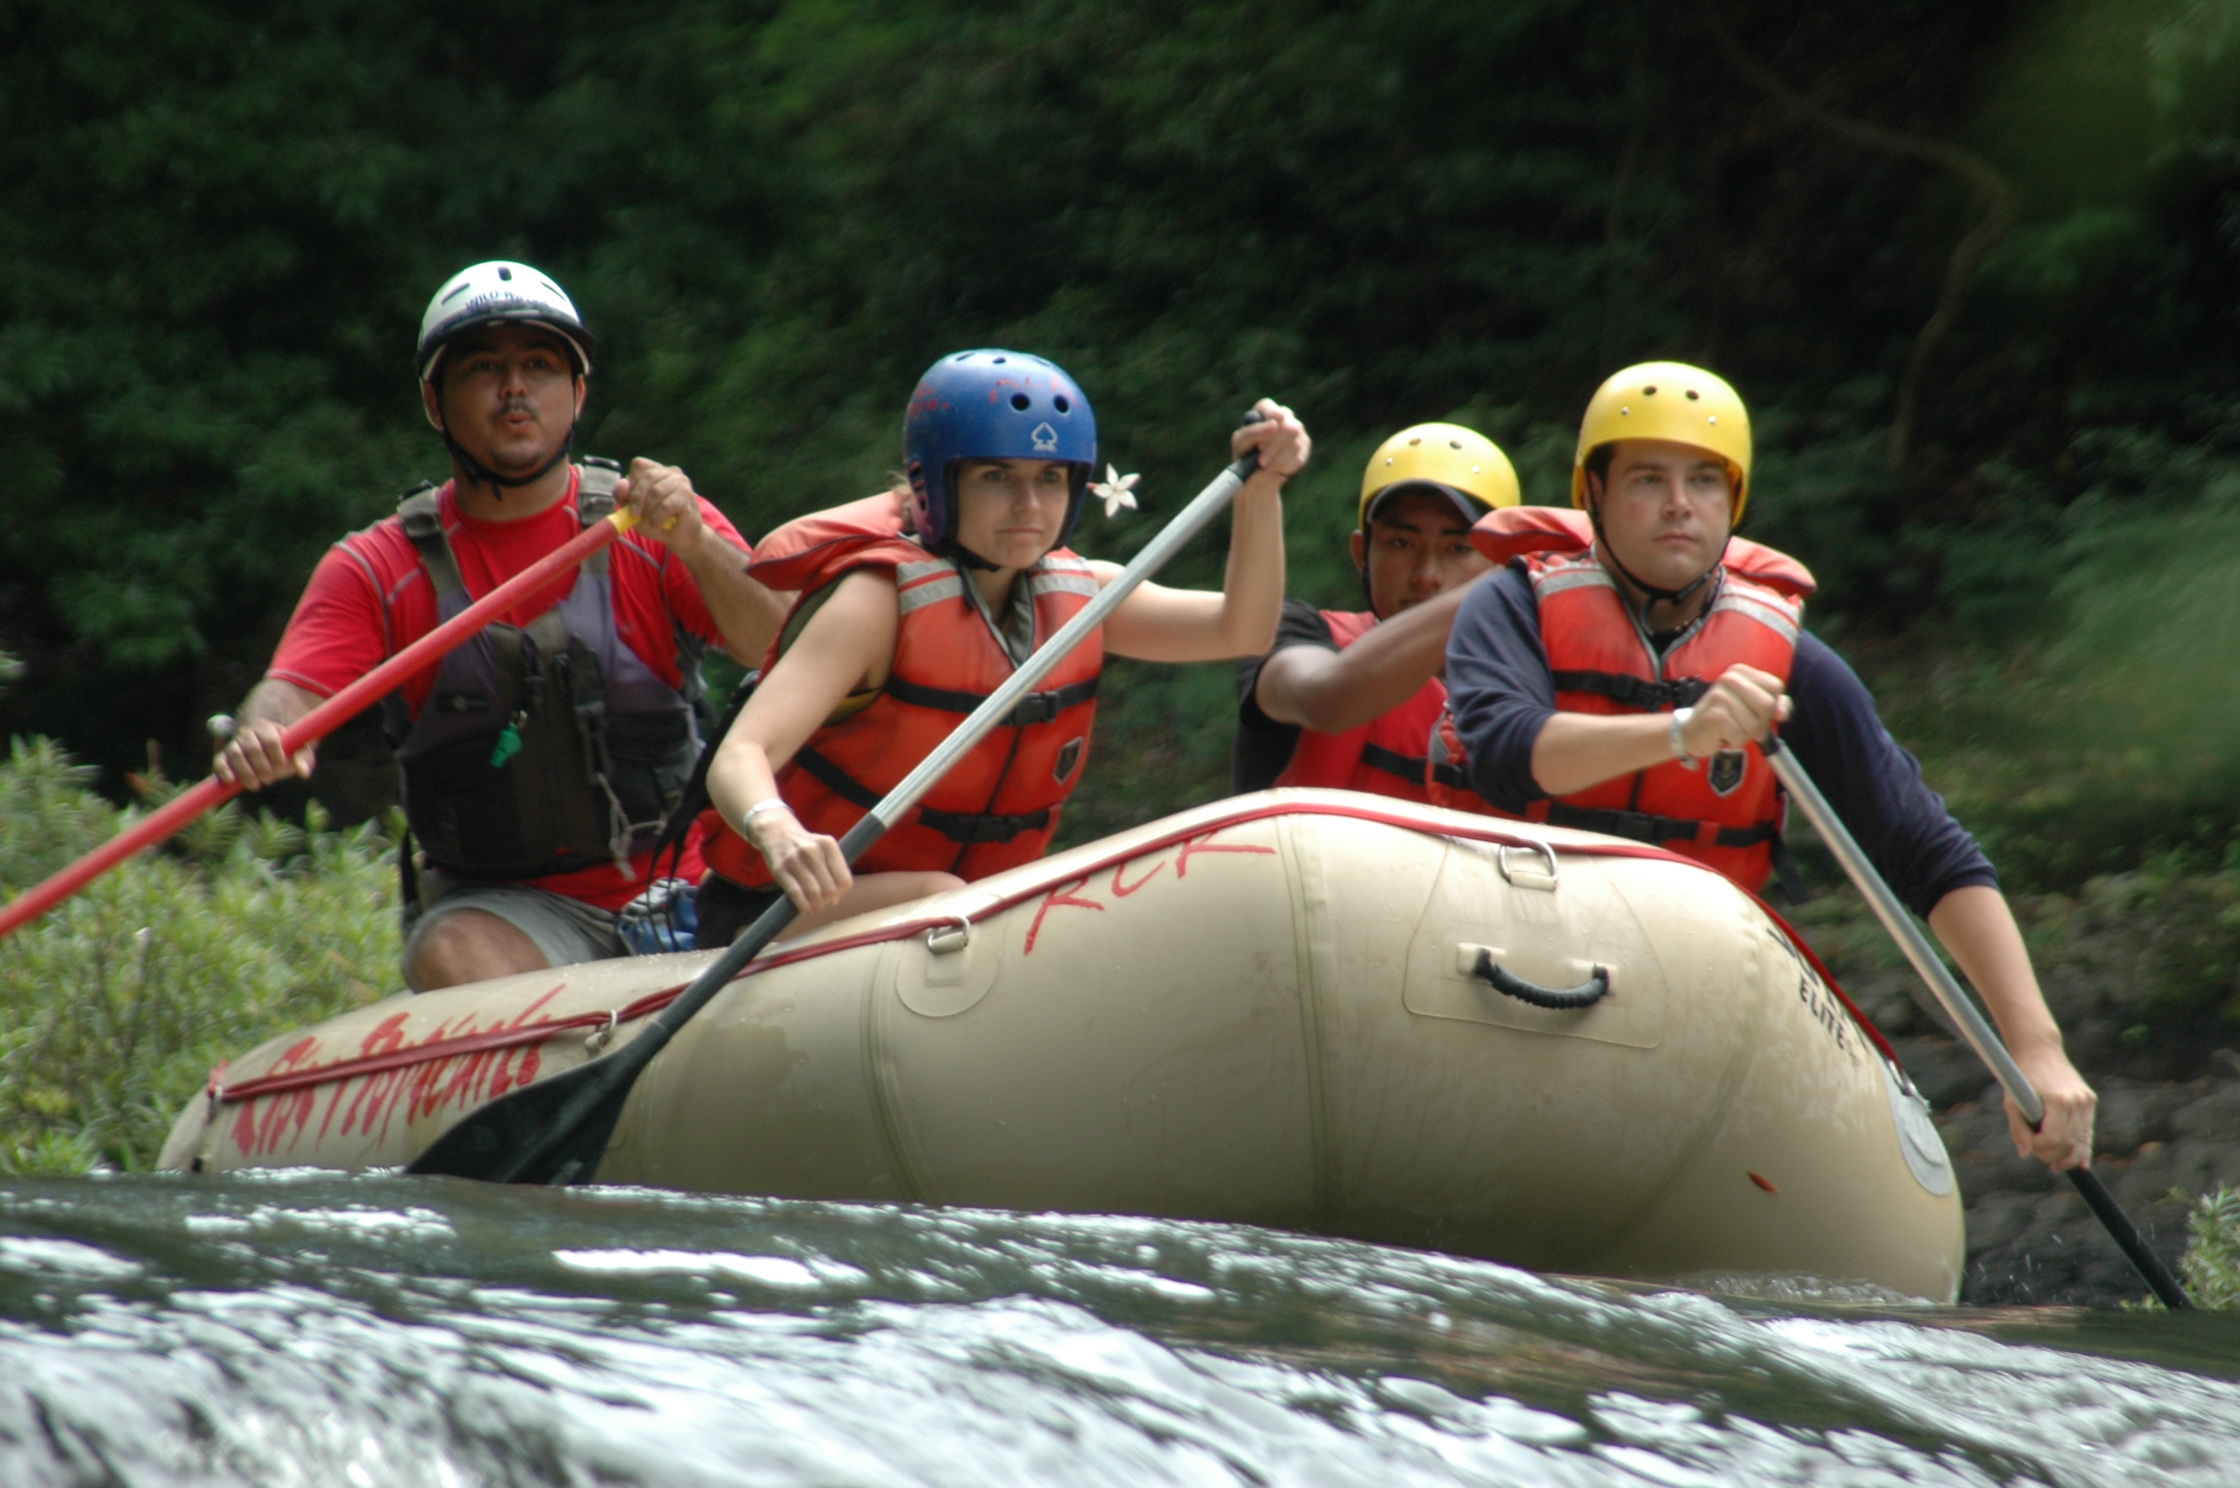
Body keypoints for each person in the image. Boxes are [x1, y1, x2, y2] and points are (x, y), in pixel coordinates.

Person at [1440, 360, 2096, 1173]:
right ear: (1595, 496)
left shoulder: (1792, 663)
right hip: (1512, 949)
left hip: (1685, 977)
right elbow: (1507, 756)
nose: (1681, 503)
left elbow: (1929, 853)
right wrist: (1683, 730)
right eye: (1649, 478)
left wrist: (2038, 1048)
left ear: (1733, 503)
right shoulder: (1509, 605)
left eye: (1706, 481)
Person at [215, 261, 786, 991]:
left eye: (540, 365)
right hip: (510, 915)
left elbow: (780, 644)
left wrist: (699, 545)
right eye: (485, 366)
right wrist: (263, 732)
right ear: (434, 401)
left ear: (577, 394)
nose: (515, 389)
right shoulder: (377, 567)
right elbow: (289, 694)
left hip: (687, 883)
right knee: (448, 952)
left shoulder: (659, 523)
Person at [698, 349, 1308, 944]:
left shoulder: (1085, 593)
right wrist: (774, 827)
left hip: (966, 918)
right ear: (936, 482)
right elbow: (741, 754)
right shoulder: (874, 603)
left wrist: (1262, 491)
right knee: (940, 894)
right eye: (998, 477)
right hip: (782, 916)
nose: (1029, 505)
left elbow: (1242, 630)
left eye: (1050, 478)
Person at [1231, 423, 1515, 806]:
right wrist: (1500, 588)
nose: (1427, 575)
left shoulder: (1531, 678)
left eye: (1458, 548)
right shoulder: (1291, 631)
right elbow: (1325, 700)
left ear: (1497, 559)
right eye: (1401, 543)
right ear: (1362, 552)